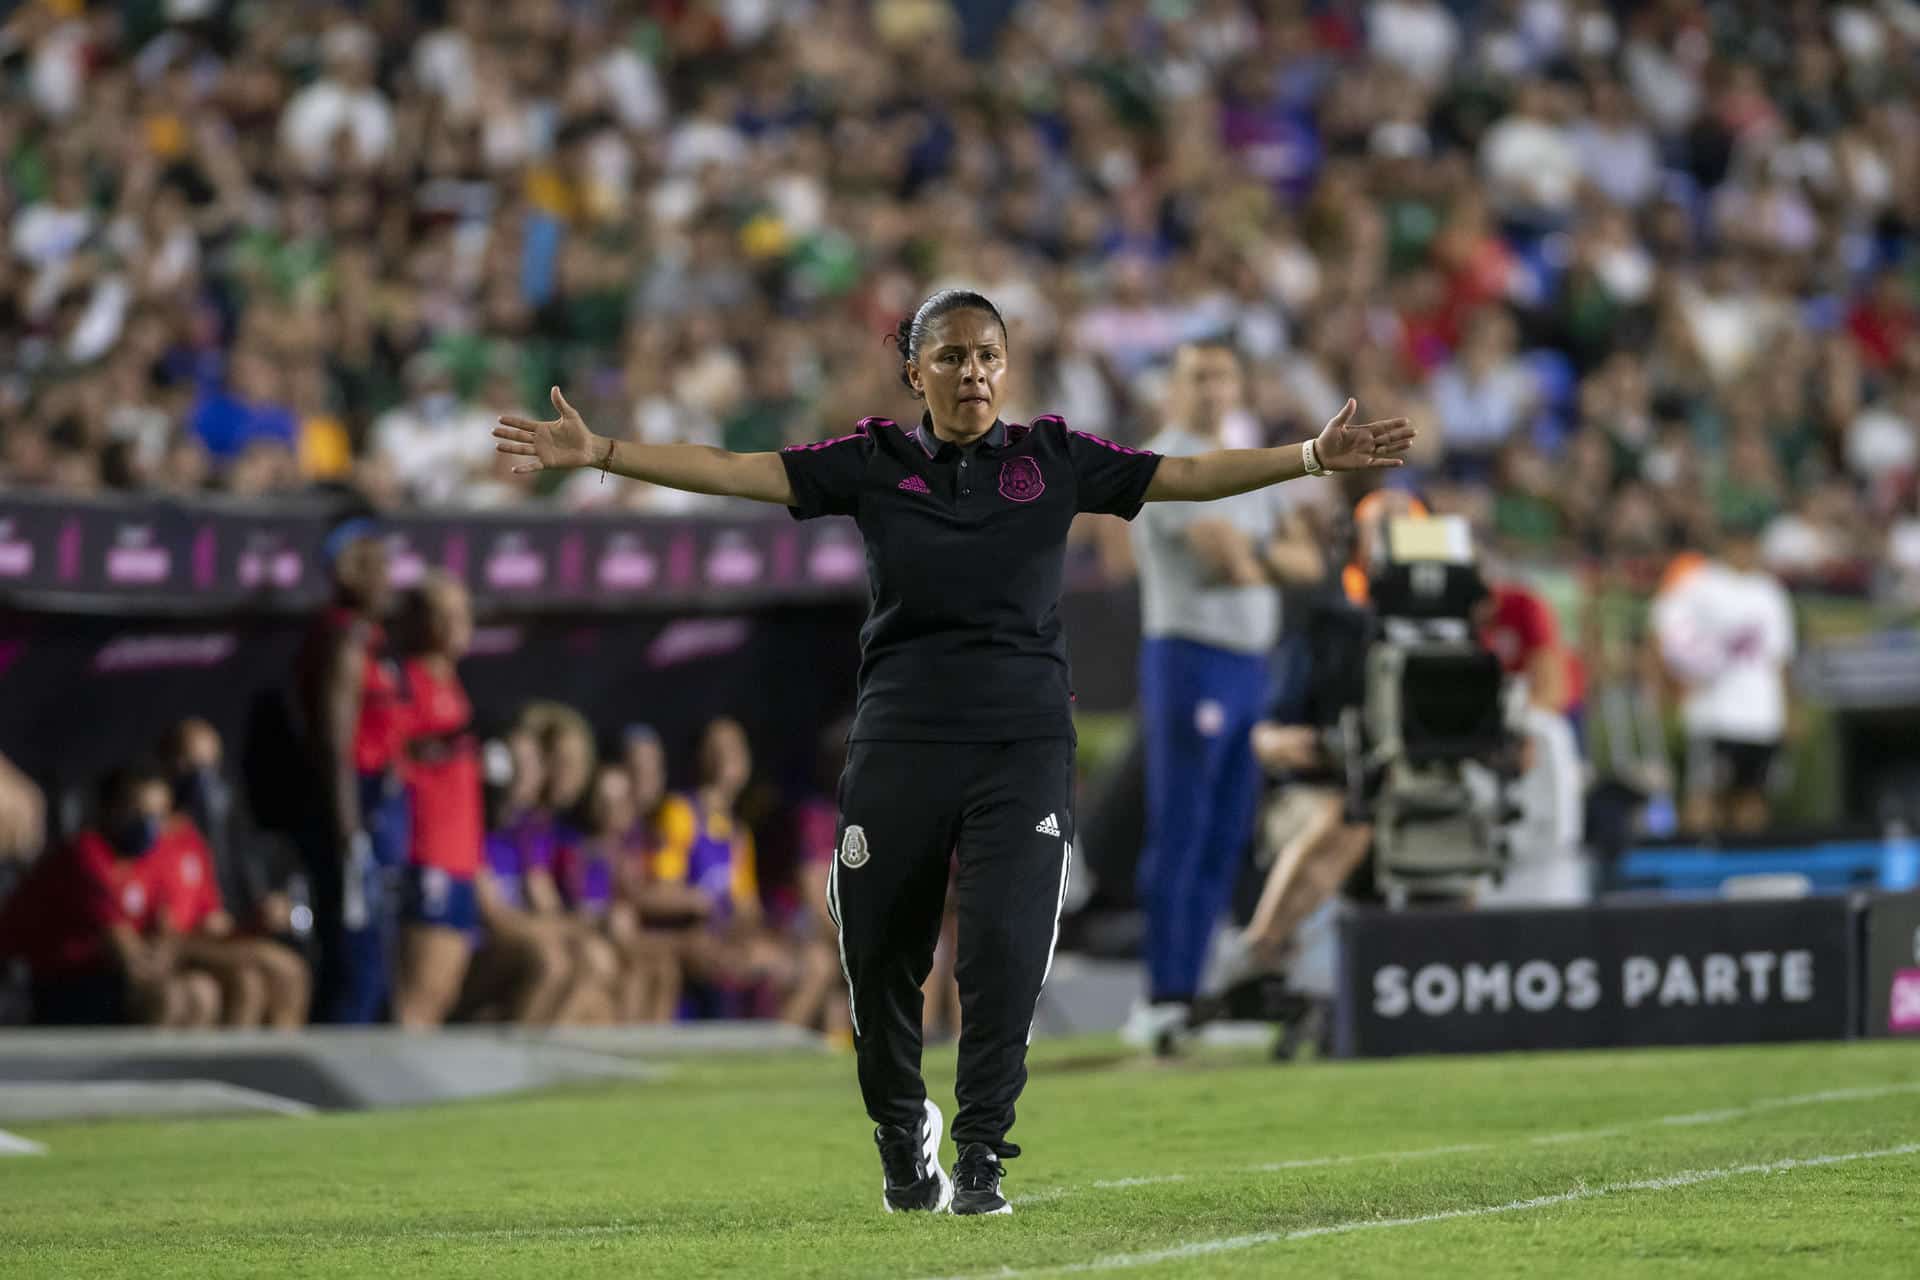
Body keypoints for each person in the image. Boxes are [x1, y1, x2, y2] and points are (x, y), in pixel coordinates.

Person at [493, 287, 1412, 1215]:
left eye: (987, 356)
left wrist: (1307, 458)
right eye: (951, 356)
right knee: (883, 955)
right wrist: (603, 452)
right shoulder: (872, 462)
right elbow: (734, 468)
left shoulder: (1052, 457)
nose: (972, 371)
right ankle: (903, 1129)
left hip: (1021, 743)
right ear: (915, 371)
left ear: (1005, 369)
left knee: (1005, 951)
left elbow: (1184, 475)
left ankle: (981, 1154)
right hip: (899, 738)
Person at [1124, 339, 1326, 1054]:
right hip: (1191, 656)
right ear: (1173, 388)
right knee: (1183, 824)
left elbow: (1305, 560)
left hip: (1247, 665)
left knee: (1227, 830)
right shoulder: (1166, 462)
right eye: (1198, 375)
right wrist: (1264, 556)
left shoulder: (1246, 465)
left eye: (1223, 374)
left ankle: (1193, 988)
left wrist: (1258, 557)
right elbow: (1226, 559)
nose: (1213, 388)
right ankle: (1162, 994)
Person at [292, 520, 409, 1023]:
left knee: (379, 951)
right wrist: (350, 833)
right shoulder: (343, 640)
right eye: (378, 567)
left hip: (379, 800)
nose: (389, 580)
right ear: (349, 572)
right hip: (354, 804)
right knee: (357, 952)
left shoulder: (372, 638)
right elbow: (335, 745)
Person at [0, 763, 221, 1028]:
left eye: (156, 814)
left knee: (202, 991)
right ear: (108, 809)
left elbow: (166, 934)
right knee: (169, 997)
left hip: (109, 975)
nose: (147, 824)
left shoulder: (148, 859)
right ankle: (146, 1071)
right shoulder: (85, 855)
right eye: (136, 813)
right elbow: (127, 956)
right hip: (59, 982)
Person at [650, 718, 803, 1017]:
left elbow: (746, 905)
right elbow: (664, 890)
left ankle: (772, 1053)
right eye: (716, 748)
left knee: (794, 961)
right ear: (700, 757)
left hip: (724, 935)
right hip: (685, 937)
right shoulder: (679, 812)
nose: (725, 757)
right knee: (736, 961)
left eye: (734, 749)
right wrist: (707, 908)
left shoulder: (737, 833)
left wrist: (763, 932)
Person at [1652, 519, 1797, 833]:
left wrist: (1786, 711)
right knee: (1704, 797)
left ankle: (1748, 870)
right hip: (1713, 713)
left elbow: (1779, 657)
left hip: (1761, 716)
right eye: (1739, 540)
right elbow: (1666, 632)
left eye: (1750, 541)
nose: (1745, 549)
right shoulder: (1699, 583)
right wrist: (1676, 681)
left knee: (1753, 797)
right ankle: (1696, 874)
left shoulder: (1770, 591)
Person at [390, 574, 485, 1029]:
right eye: (445, 614)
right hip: (427, 854)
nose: (459, 624)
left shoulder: (451, 682)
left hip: (461, 857)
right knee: (419, 992)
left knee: (444, 992)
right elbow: (390, 755)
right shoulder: (407, 680)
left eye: (463, 612)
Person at [561, 764, 683, 1023]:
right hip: (590, 935)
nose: (611, 809)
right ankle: (627, 1044)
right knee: (633, 970)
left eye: (619, 800)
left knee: (665, 968)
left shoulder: (637, 847)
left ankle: (652, 1044)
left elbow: (646, 896)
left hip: (627, 935)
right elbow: (577, 907)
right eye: (604, 800)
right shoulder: (576, 849)